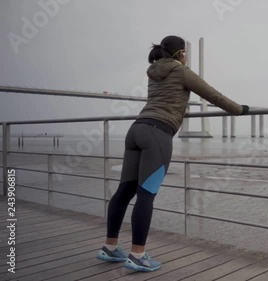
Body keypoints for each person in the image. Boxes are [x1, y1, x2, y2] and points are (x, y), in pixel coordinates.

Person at [96, 35, 249, 272]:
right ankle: (137, 255)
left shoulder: (154, 72)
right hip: (158, 134)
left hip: (136, 130)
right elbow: (213, 96)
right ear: (180, 54)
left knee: (124, 191)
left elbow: (165, 99)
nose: (186, 56)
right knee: (146, 194)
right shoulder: (181, 71)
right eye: (185, 52)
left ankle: (110, 247)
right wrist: (240, 110)